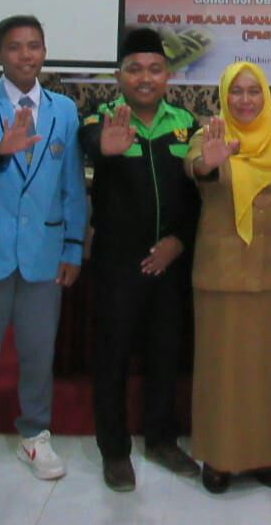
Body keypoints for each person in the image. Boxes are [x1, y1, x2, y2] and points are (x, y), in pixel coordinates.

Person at [0, 16, 87, 495]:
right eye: (14, 47)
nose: (25, 55)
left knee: (37, 351)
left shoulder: (63, 109)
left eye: (34, 46)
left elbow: (71, 184)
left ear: (44, 52)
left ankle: (35, 434)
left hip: (43, 251)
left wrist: (72, 245)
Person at [78, 27, 202, 492]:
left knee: (165, 354)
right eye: (134, 69)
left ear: (168, 75)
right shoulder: (102, 118)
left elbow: (198, 197)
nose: (145, 78)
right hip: (117, 264)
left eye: (154, 69)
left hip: (170, 263)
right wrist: (104, 148)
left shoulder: (185, 123)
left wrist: (178, 242)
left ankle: (162, 440)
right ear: (119, 76)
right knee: (110, 357)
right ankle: (114, 452)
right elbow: (89, 142)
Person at [185, 61, 271, 494]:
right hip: (220, 274)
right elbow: (195, 166)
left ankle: (261, 456)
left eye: (253, 91)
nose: (245, 100)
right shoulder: (210, 135)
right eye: (235, 91)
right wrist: (208, 163)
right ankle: (217, 459)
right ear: (224, 95)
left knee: (265, 372)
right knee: (219, 372)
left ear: (266, 96)